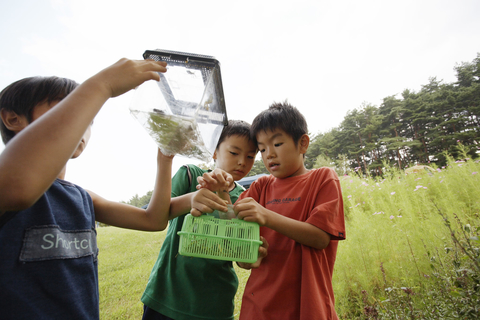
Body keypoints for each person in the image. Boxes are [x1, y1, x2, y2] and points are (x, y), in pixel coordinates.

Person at [0, 58, 174, 320]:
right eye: (69, 108)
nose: (82, 122)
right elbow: (20, 188)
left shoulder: (82, 197)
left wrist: (165, 159)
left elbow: (153, 219)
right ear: (13, 118)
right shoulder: (9, 185)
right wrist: (102, 85)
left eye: (89, 117)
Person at [197, 102, 346, 320]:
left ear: (302, 143)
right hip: (259, 306)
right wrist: (221, 193)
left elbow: (320, 238)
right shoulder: (261, 187)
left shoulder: (322, 179)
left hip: (307, 306)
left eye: (277, 143)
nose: (269, 154)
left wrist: (267, 216)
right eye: (263, 149)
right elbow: (235, 230)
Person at [141, 120, 264, 320]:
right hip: (167, 297)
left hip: (214, 305)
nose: (242, 161)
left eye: (250, 156)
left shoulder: (247, 198)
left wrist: (253, 255)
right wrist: (192, 199)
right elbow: (157, 214)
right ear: (214, 151)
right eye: (234, 153)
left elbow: (241, 255)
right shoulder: (191, 176)